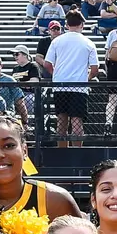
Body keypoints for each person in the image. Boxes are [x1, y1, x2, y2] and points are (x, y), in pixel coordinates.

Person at [47, 11, 98, 147]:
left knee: (61, 121)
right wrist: (87, 77)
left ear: (66, 25)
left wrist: (56, 74)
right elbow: (95, 69)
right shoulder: (88, 43)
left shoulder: (57, 41)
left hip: (60, 86)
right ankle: (77, 154)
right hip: (79, 87)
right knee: (77, 122)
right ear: (82, 24)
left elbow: (47, 63)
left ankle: (62, 153)